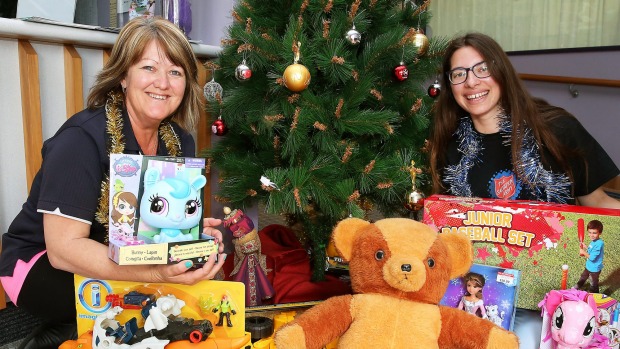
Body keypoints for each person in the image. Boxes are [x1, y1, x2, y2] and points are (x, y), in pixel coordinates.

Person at [0, 17, 226, 347]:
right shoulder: (80, 140)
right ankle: (51, 338)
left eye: (175, 72)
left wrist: (188, 229)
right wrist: (155, 274)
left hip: (124, 253)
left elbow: (152, 222)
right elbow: (63, 251)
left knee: (181, 286)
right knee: (142, 300)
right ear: (123, 76)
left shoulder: (180, 141)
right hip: (41, 263)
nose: (162, 82)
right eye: (149, 68)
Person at [429, 32, 620, 349]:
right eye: (459, 74)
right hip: (484, 293)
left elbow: (599, 204)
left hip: (550, 298)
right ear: (450, 86)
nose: (471, 82)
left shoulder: (558, 129)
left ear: (501, 71)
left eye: (482, 69)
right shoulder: (451, 148)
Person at [576, 219, 605, 293]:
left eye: (594, 233)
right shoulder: (594, 241)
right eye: (590, 232)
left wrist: (583, 252)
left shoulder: (599, 243)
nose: (591, 235)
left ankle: (594, 293)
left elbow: (592, 257)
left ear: (600, 233)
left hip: (594, 269)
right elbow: (591, 250)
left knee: (593, 282)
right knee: (583, 276)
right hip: (589, 266)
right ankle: (578, 285)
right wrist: (586, 247)